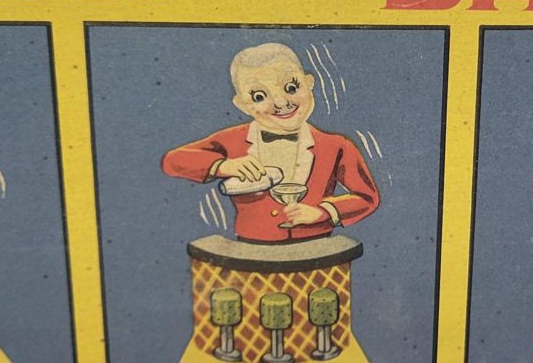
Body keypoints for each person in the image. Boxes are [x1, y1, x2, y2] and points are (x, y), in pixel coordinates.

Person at [162, 43, 380, 244]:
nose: (281, 103)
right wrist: (224, 166)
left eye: (291, 88)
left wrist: (323, 212)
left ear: (309, 83)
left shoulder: (337, 146)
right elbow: (172, 161)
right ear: (242, 104)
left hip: (316, 250)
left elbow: (367, 197)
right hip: (252, 250)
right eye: (259, 96)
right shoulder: (231, 140)